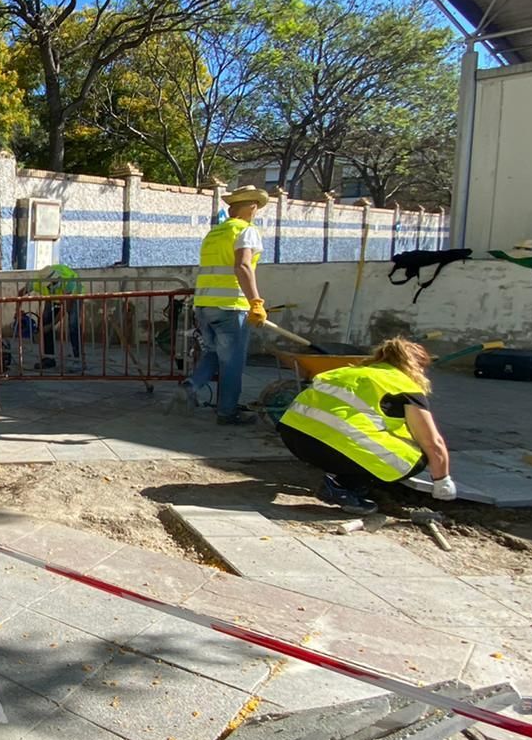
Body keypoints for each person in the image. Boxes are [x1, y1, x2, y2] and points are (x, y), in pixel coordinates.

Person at [278, 337, 455, 515]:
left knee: (367, 441)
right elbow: (433, 442)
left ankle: (344, 480)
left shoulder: (347, 371)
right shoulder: (403, 385)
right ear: (415, 366)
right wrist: (442, 481)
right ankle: (343, 488)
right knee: (416, 457)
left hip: (293, 436)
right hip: (327, 446)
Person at [182, 186, 269, 425]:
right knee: (232, 363)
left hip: (203, 304)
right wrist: (256, 302)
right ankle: (227, 413)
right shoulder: (247, 230)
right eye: (257, 207)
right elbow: (242, 266)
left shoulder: (215, 233)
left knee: (213, 352)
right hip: (230, 306)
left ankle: (192, 384)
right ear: (252, 207)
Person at [33, 263, 83, 370]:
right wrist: (17, 310)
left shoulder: (69, 282)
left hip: (74, 296)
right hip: (54, 297)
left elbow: (65, 308)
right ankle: (49, 359)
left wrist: (51, 326)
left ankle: (79, 359)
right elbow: (23, 291)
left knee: (73, 325)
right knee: (45, 320)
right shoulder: (40, 280)